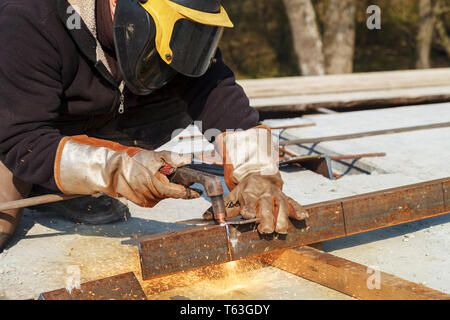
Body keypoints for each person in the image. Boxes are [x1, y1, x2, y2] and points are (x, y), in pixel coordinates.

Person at [0, 0, 308, 252]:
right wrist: (118, 170)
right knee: (2, 223)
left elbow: (215, 90)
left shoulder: (178, 17)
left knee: (188, 86)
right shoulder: (30, 18)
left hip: (94, 119)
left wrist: (257, 172)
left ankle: (73, 180)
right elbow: (20, 138)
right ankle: (57, 179)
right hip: (16, 128)